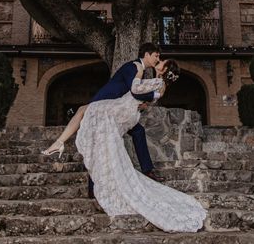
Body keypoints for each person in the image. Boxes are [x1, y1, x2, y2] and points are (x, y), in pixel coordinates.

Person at [42, 55, 207, 233]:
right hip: (126, 108)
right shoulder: (159, 85)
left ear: (165, 71)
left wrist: (138, 71)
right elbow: (144, 101)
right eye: (158, 60)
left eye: (161, 63)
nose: (158, 62)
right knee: (91, 123)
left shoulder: (158, 83)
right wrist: (143, 97)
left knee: (86, 112)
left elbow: (136, 90)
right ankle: (65, 149)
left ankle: (62, 144)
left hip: (122, 109)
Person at [43, 43, 162, 183]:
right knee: (97, 137)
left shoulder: (140, 69)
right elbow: (134, 91)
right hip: (105, 103)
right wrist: (154, 96)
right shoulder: (134, 66)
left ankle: (147, 170)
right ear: (147, 55)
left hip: (118, 110)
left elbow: (133, 95)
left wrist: (141, 104)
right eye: (156, 55)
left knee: (138, 131)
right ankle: (93, 185)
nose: (158, 59)